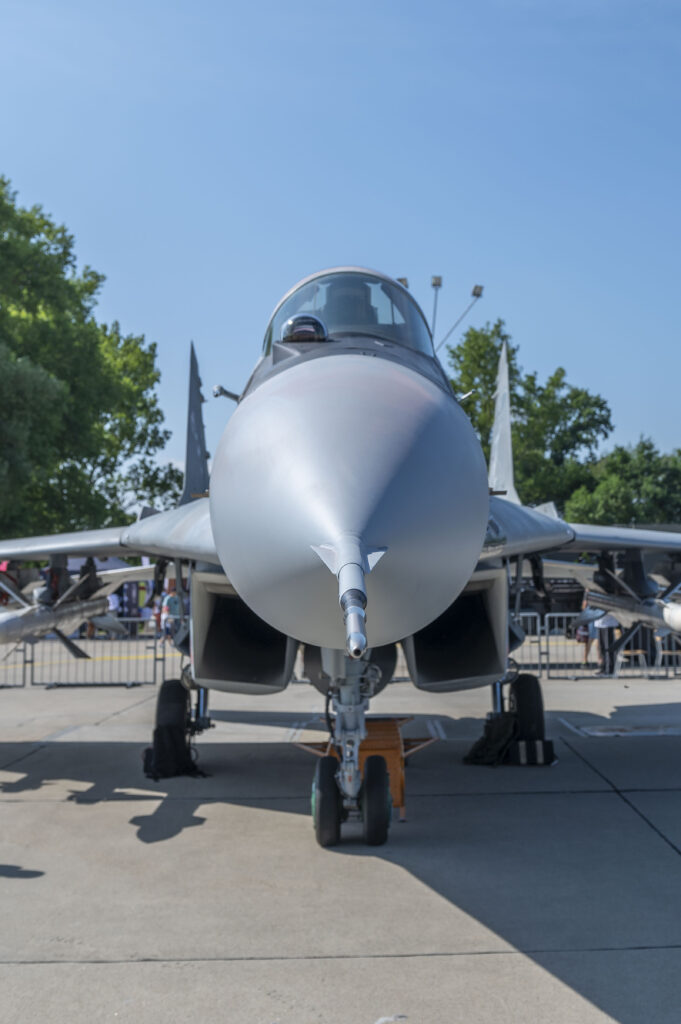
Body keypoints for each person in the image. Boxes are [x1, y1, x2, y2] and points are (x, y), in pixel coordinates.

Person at [594, 611, 619, 676]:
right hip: (599, 624)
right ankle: (603, 667)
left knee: (608, 648)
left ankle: (610, 669)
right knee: (601, 647)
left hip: (608, 624)